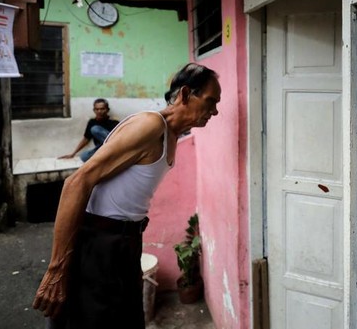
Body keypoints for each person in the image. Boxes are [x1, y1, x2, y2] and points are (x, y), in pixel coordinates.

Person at [33, 63, 221, 328]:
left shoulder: (172, 135)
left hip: (125, 243)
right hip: (98, 243)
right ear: (186, 94)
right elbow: (77, 183)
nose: (215, 111)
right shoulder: (150, 125)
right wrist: (56, 269)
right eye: (211, 101)